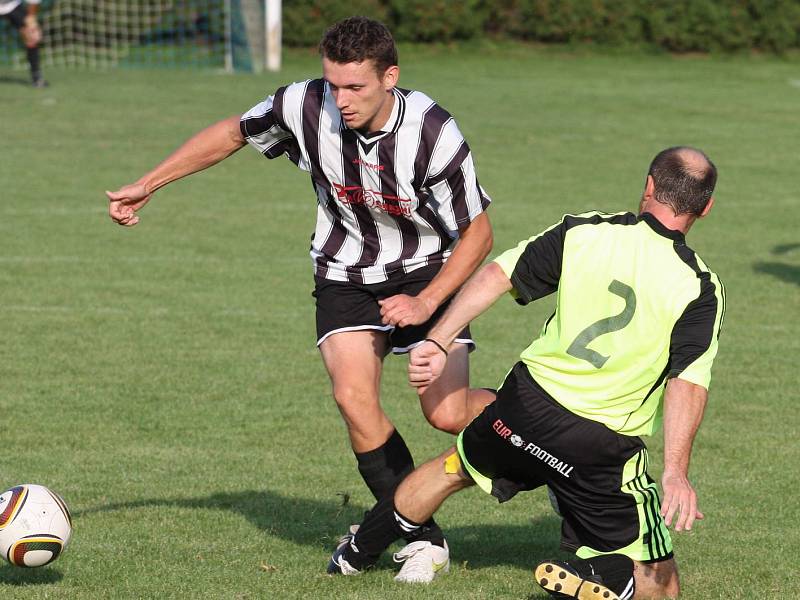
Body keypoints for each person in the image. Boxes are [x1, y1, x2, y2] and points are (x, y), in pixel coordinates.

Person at [106, 16, 495, 583]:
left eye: (355, 87)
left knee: (448, 413)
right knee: (352, 396)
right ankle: (419, 536)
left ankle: (539, 435)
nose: (341, 99)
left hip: (427, 273)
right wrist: (150, 182)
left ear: (391, 77)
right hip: (344, 271)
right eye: (333, 84)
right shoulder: (304, 105)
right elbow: (235, 132)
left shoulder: (434, 133)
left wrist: (425, 301)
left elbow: (478, 235)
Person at [328, 147, 725, 600]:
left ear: (649, 187)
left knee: (452, 466)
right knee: (663, 581)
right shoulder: (699, 286)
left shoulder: (585, 231)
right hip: (598, 447)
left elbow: (497, 275)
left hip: (522, 408)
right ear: (705, 208)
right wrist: (675, 471)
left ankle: (356, 552)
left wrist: (438, 340)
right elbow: (687, 382)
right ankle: (615, 583)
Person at [1, 0, 46, 87]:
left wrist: (31, 17)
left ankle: (36, 78)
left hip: (12, 6)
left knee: (33, 36)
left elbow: (34, 2)